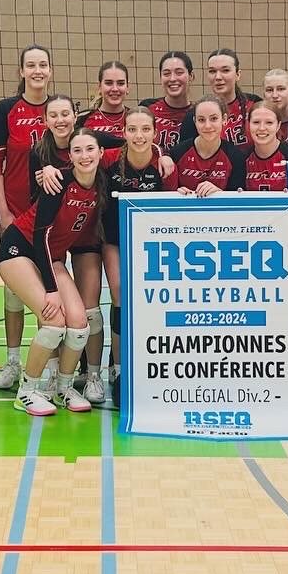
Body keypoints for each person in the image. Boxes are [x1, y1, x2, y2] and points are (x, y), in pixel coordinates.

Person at [0, 128, 107, 416]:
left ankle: (63, 387)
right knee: (54, 321)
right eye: (78, 150)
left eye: (90, 149)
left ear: (101, 153)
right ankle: (27, 390)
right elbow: (40, 237)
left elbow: (123, 141)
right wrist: (51, 289)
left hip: (51, 257)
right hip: (18, 251)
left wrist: (159, 152)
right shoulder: (58, 182)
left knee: (80, 322)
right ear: (69, 156)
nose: (85, 156)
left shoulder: (103, 183)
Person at [0, 44, 54, 391]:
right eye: (31, 65)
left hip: (48, 215)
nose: (37, 70)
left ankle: (53, 365)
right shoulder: (6, 109)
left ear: (50, 70)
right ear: (22, 72)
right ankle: (13, 362)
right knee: (14, 291)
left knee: (50, 285)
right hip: (14, 209)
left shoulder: (59, 109)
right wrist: (2, 211)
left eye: (43, 64)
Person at [99, 105, 174, 407]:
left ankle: (148, 366)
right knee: (119, 296)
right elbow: (83, 149)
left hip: (150, 244)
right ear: (123, 132)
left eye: (146, 130)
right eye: (132, 129)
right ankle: (118, 370)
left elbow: (173, 205)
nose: (139, 135)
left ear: (155, 133)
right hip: (114, 240)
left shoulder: (164, 165)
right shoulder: (108, 160)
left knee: (150, 301)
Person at [179, 48, 259, 149]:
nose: (218, 77)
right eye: (212, 71)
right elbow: (184, 152)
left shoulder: (254, 104)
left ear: (238, 74)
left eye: (225, 70)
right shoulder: (196, 113)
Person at [170, 97, 247, 194]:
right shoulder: (177, 153)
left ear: (224, 119)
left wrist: (220, 193)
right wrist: (176, 193)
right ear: (195, 121)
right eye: (201, 120)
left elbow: (236, 198)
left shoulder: (235, 157)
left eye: (214, 119)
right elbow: (167, 191)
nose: (207, 126)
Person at [143, 50, 193, 150]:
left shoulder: (199, 113)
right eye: (166, 74)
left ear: (191, 76)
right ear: (160, 78)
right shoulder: (147, 108)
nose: (172, 78)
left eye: (179, 73)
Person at [79, 61, 131, 137]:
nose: (115, 89)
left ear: (128, 87)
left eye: (120, 83)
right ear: (99, 86)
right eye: (109, 83)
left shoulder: (137, 117)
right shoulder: (82, 119)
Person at [261, 70, 288, 142]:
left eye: (281, 89)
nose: (275, 95)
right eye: (269, 90)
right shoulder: (259, 126)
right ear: (264, 95)